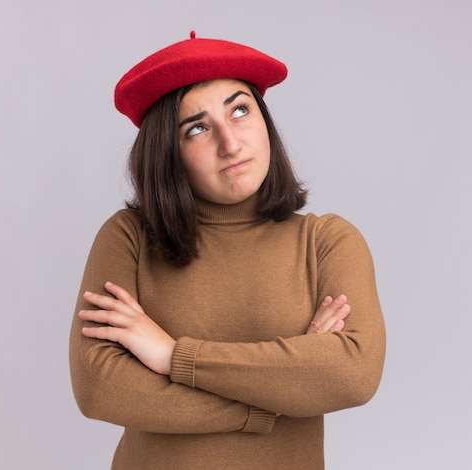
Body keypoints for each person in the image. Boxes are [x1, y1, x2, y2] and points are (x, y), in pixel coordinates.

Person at [69, 31, 386, 469]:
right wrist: (272, 399)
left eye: (240, 110)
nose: (230, 142)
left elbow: (353, 373)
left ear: (265, 122)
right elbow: (97, 387)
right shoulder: (129, 238)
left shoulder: (327, 242)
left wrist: (171, 356)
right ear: (167, 153)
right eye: (197, 128)